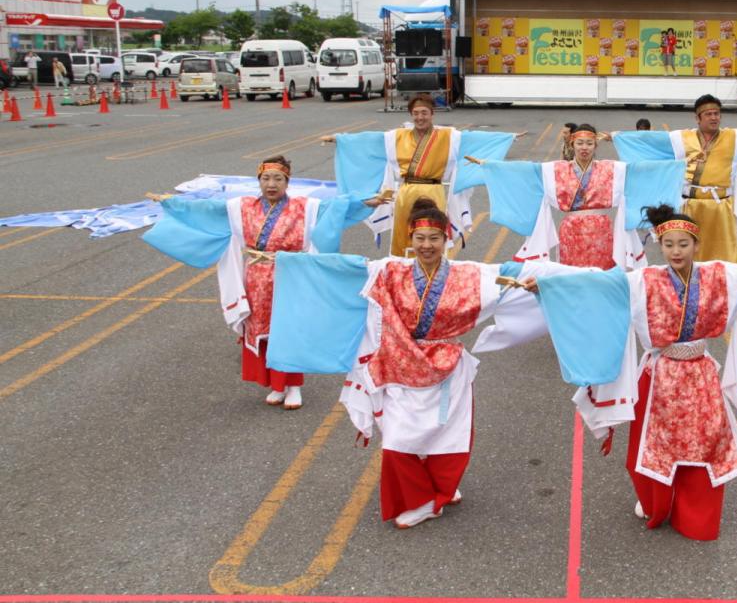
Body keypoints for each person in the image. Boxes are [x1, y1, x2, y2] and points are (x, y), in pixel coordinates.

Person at [522, 204, 737, 541]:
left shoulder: (720, 275)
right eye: (668, 244)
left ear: (696, 244)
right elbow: (597, 284)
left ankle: (696, 515)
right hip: (661, 375)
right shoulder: (643, 280)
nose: (676, 251)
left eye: (683, 244)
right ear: (660, 244)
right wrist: (548, 287)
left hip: (700, 375)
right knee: (654, 446)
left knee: (705, 444)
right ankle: (657, 502)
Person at [337, 199, 544, 529]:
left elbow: (511, 273)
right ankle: (423, 497)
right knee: (396, 439)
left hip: (447, 368)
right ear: (409, 239)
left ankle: (435, 494)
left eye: (434, 238)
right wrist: (290, 262)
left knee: (447, 436)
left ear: (447, 238)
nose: (426, 245)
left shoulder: (468, 275)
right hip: (402, 365)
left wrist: (541, 282)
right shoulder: (390, 270)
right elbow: (345, 267)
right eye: (420, 238)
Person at [142, 155, 371, 410]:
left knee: (289, 329)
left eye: (278, 179)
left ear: (287, 182)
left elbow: (336, 208)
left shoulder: (305, 207)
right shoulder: (241, 207)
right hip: (256, 277)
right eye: (266, 178)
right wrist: (172, 202)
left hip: (290, 276)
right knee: (262, 329)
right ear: (259, 181)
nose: (271, 184)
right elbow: (207, 210)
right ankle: (277, 385)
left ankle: (293, 386)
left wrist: (365, 202)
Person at [610, 95, 737, 262]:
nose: (714, 117)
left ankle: (725, 289)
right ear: (697, 118)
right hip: (690, 207)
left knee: (726, 255)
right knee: (688, 255)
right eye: (708, 114)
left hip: (721, 207)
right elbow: (653, 141)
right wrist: (617, 137)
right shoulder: (682, 138)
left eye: (717, 114)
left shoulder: (734, 137)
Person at [321, 93, 519, 256]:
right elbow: (370, 141)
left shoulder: (448, 136)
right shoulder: (397, 136)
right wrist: (339, 139)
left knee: (432, 232)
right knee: (404, 234)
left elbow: (474, 140)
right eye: (415, 113)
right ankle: (402, 269)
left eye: (424, 113)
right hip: (406, 193)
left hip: (433, 192)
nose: (420, 117)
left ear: (432, 114)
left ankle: (435, 270)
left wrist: (507, 138)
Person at [472, 124, 685, 269]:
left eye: (589, 143)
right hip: (571, 231)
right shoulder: (556, 169)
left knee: (602, 273)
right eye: (580, 143)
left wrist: (677, 166)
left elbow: (642, 170)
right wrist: (490, 166)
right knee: (571, 273)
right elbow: (526, 171)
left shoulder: (612, 169)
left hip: (602, 231)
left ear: (595, 146)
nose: (584, 148)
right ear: (572, 145)